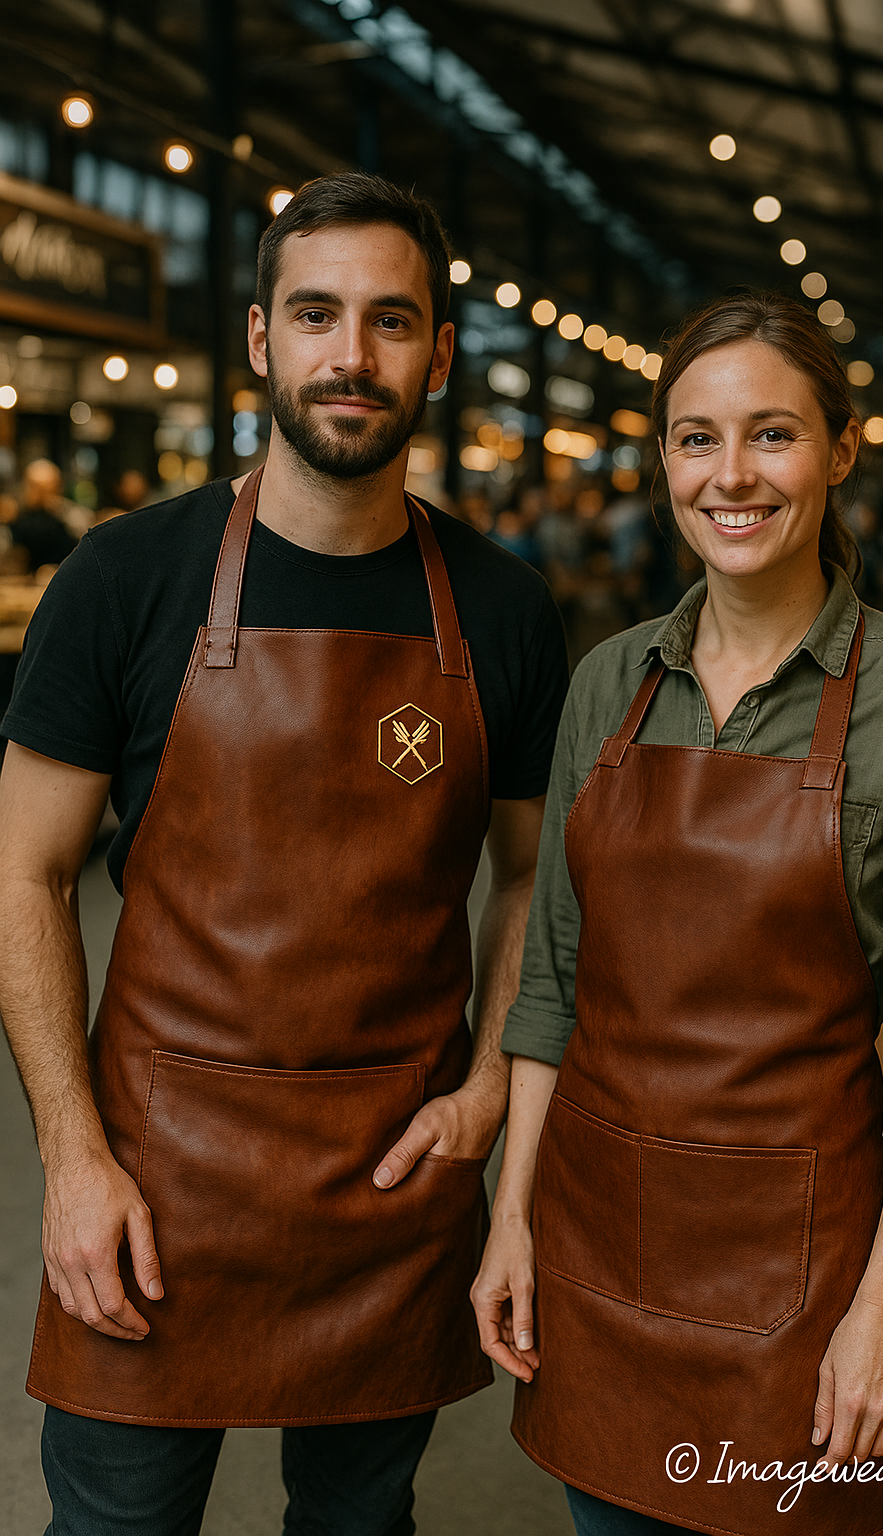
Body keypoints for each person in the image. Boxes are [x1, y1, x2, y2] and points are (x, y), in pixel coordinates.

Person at [0, 172, 568, 1536]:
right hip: (153, 1184)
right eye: (317, 315)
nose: (350, 357)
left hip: (388, 1180)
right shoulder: (122, 579)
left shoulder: (498, 605)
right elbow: (22, 875)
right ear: (262, 338)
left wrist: (488, 1088)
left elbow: (539, 875)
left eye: (390, 320)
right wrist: (72, 1161)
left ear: (439, 352)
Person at [471, 292, 883, 1536]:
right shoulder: (610, 679)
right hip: (594, 1265)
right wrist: (512, 1219)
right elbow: (551, 983)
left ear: (838, 451)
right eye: (695, 438)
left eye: (771, 434)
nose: (731, 476)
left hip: (802, 1290)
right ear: (662, 457)